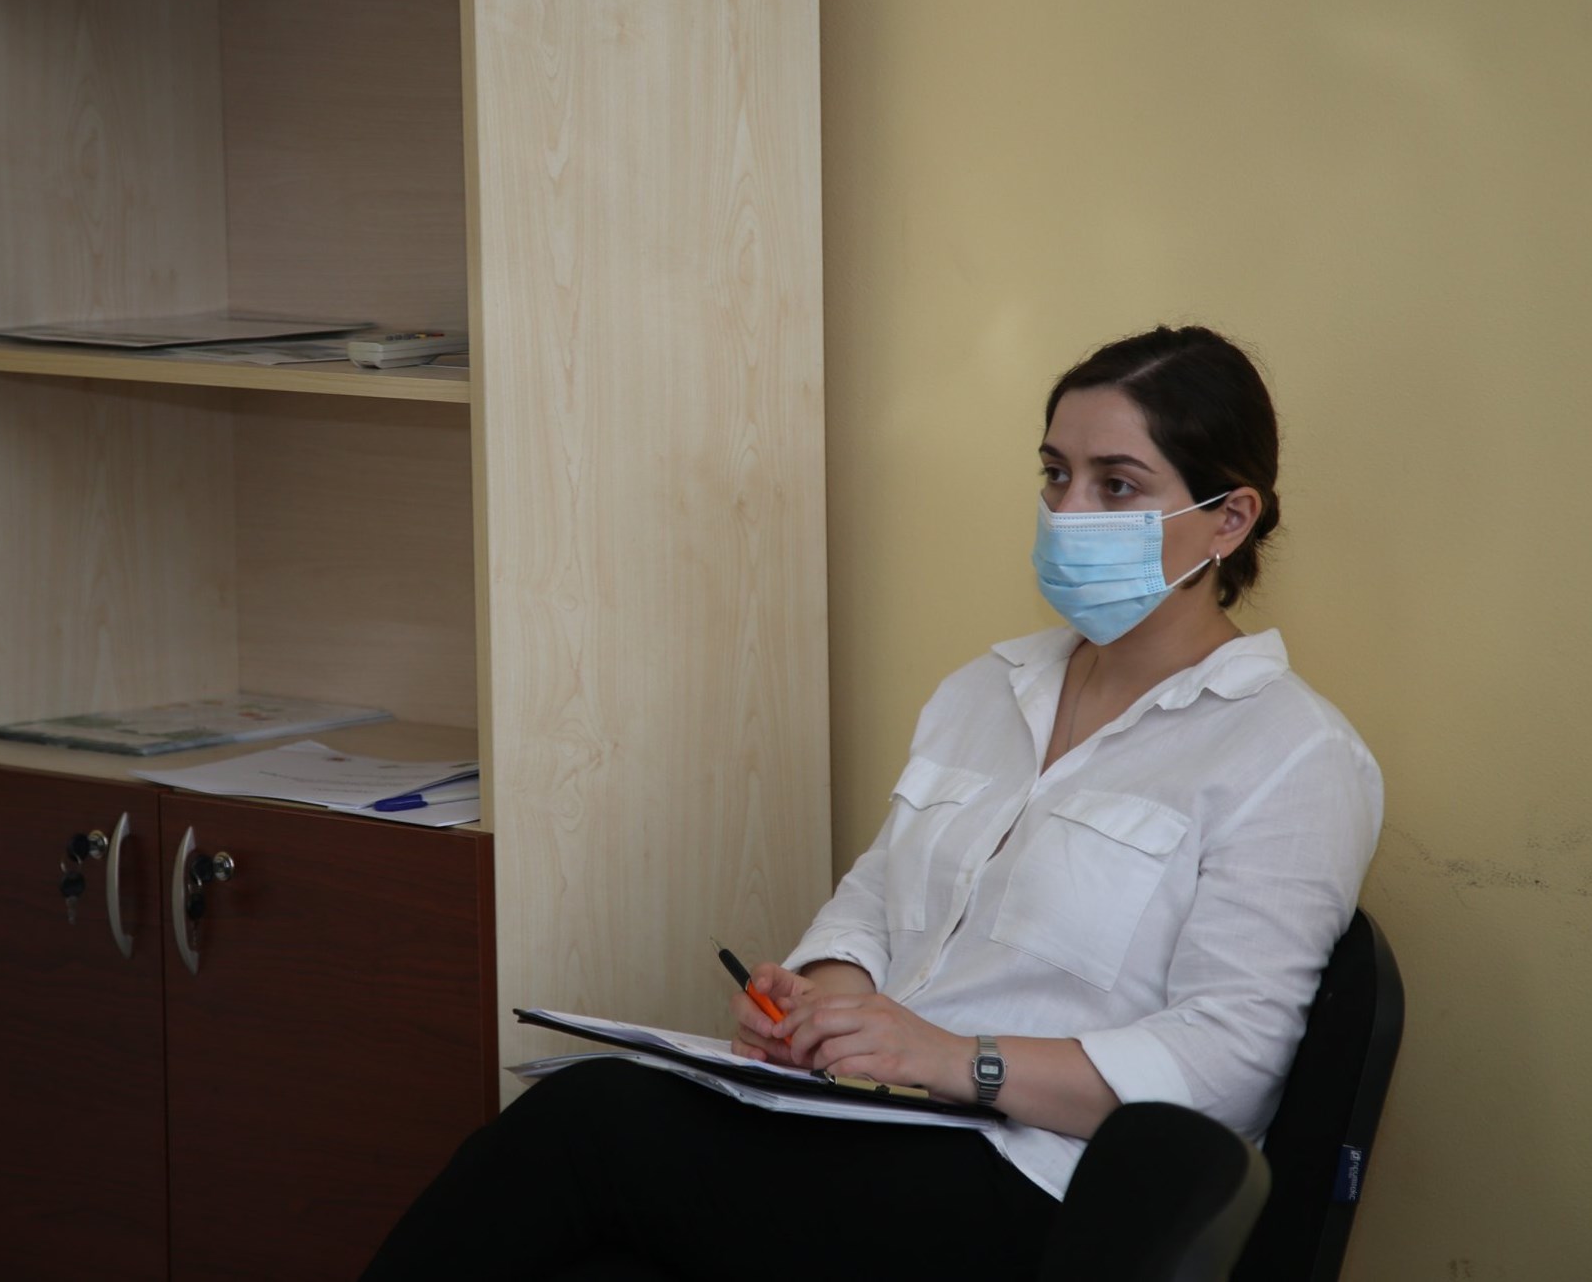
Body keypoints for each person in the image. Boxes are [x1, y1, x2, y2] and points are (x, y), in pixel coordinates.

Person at [359, 325, 1382, 1280]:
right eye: (1054, 473)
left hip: (1038, 1184)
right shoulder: (985, 692)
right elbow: (878, 898)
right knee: (587, 1152)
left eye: (1116, 485)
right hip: (871, 1121)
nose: (1070, 511)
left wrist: (956, 1060)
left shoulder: (1293, 755)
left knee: (587, 1133)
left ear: (1229, 518)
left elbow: (1230, 1063)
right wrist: (825, 1002)